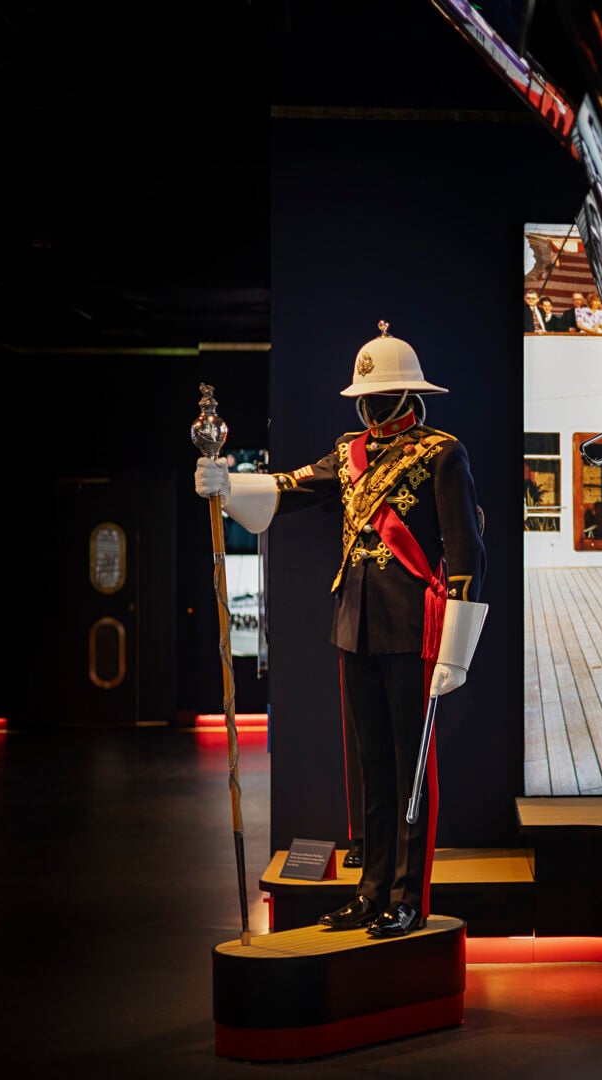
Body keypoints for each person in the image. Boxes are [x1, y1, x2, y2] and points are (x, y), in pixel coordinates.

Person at [194, 321, 488, 938]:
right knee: (370, 770)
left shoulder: (442, 452)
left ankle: (410, 897)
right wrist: (228, 486)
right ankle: (371, 889)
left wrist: (455, 652)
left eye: (380, 395)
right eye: (365, 396)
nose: (370, 405)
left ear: (410, 395)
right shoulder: (349, 453)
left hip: (412, 630)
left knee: (410, 770)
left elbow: (466, 557)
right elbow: (291, 487)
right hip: (353, 625)